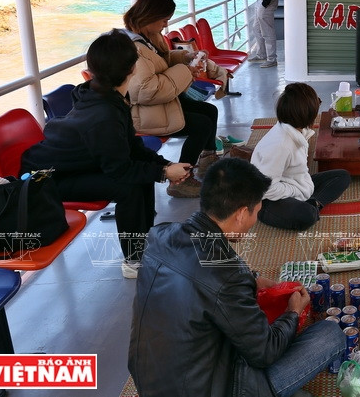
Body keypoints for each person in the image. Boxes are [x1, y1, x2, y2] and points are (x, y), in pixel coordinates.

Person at [129, 158, 344, 397]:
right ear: (242, 213)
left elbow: (202, 277)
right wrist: (292, 313)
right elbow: (265, 352)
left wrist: (252, 279)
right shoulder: (229, 276)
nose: (253, 223)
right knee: (329, 335)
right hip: (207, 389)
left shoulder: (160, 234)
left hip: (151, 382)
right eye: (256, 213)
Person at [21, 30, 191, 278]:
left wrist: (165, 164)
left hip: (70, 165)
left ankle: (145, 246)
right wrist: (164, 172)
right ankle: (135, 261)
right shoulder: (105, 114)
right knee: (129, 187)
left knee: (141, 176)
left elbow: (131, 148)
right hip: (45, 180)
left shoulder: (101, 94)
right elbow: (120, 170)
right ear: (133, 68)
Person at [123, 0, 223, 198]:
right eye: (163, 20)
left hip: (160, 104)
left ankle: (207, 161)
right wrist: (185, 71)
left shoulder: (146, 37)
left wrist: (186, 58)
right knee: (201, 124)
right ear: (149, 16)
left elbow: (161, 62)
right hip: (142, 114)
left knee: (209, 111)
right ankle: (180, 180)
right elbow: (146, 90)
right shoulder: (133, 47)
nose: (166, 25)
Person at [251, 83, 351, 230]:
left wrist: (302, 188)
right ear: (307, 113)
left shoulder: (294, 129)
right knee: (307, 216)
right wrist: (297, 191)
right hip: (266, 200)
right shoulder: (281, 145)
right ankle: (311, 206)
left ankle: (313, 203)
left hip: (293, 183)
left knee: (343, 176)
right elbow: (267, 188)